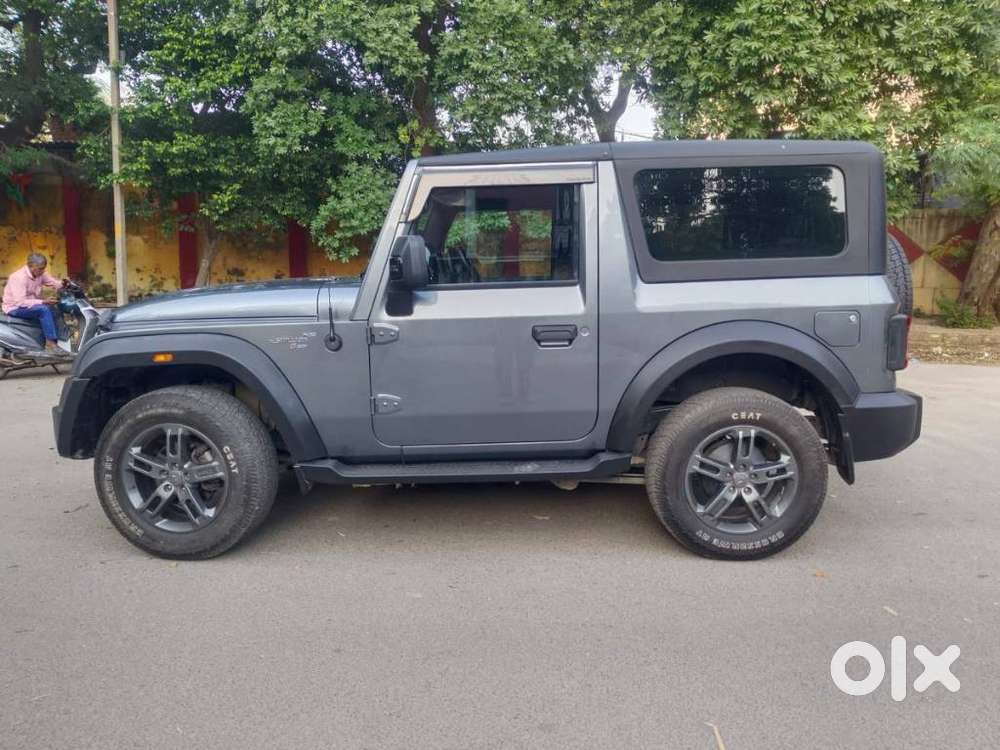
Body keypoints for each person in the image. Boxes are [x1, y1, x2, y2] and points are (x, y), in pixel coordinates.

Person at [2, 253, 68, 354]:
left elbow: (53, 282)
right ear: (31, 266)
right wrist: (43, 301)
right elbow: (20, 302)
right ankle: (50, 344)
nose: (43, 271)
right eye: (40, 269)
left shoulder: (40, 273)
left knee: (54, 309)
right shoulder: (18, 277)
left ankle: (61, 341)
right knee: (43, 310)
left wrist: (64, 283)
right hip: (14, 307)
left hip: (29, 304)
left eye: (44, 268)